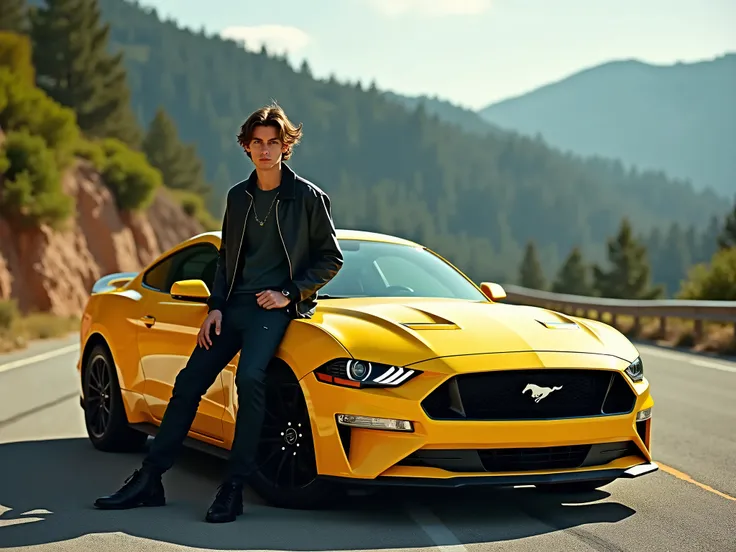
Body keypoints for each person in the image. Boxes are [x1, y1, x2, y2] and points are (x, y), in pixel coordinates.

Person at [93, 102, 344, 523]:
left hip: (273, 308)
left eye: (274, 143)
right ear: (246, 148)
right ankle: (149, 479)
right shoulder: (238, 197)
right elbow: (226, 259)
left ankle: (233, 487)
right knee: (189, 382)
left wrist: (288, 292)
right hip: (233, 307)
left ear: (286, 147)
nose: (266, 151)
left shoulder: (307, 197)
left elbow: (330, 258)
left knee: (250, 378)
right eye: (257, 143)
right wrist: (214, 307)